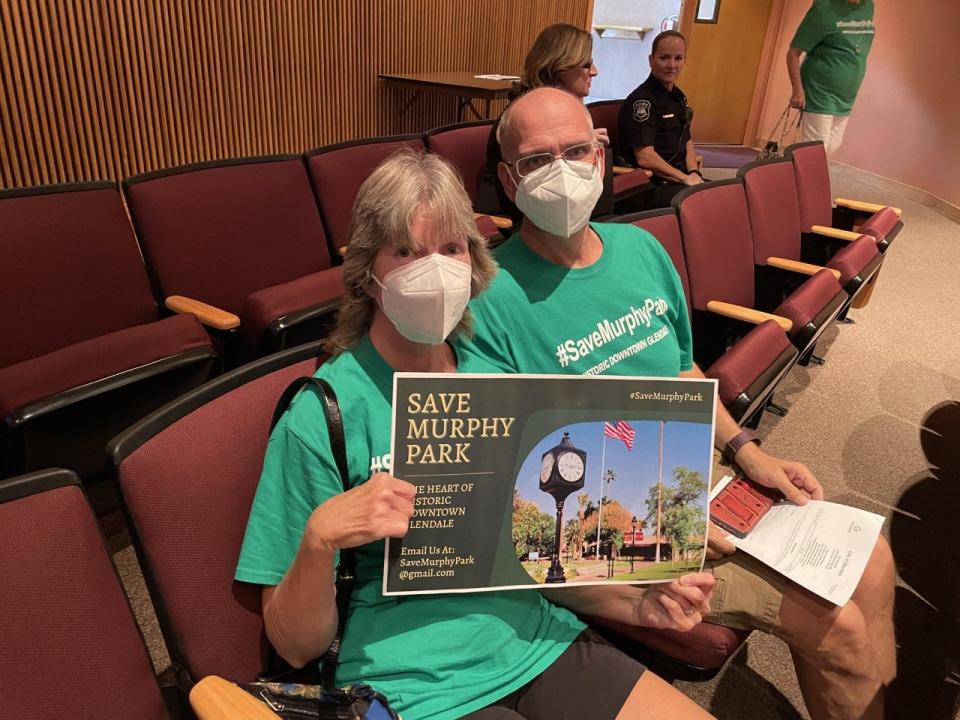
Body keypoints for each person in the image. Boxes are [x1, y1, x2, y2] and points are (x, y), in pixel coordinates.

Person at [235, 149, 717, 720]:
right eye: (407, 251)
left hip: (536, 640)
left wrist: (638, 606)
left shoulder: (496, 381)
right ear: (369, 270)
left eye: (451, 248)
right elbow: (295, 645)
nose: (433, 269)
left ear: (473, 260)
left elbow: (536, 564)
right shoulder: (325, 413)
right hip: (409, 682)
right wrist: (319, 540)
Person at [466, 86, 897, 720]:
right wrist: (672, 525)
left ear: (600, 154)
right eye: (537, 160)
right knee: (841, 629)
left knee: (875, 559)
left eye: (576, 150)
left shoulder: (641, 250)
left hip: (701, 477)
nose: (561, 170)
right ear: (508, 178)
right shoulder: (488, 306)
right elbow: (511, 483)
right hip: (608, 527)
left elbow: (681, 371)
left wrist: (747, 451)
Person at [479, 23, 615, 221]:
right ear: (560, 67)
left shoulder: (569, 111)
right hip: (524, 219)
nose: (594, 71)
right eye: (586, 65)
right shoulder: (518, 118)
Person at [618, 30, 702, 209]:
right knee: (703, 205)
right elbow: (645, 158)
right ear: (651, 60)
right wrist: (685, 178)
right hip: (653, 184)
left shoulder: (678, 97)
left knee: (726, 193)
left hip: (679, 180)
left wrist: (694, 172)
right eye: (664, 58)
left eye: (678, 58)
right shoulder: (642, 102)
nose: (672, 65)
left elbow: (686, 140)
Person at [787, 0, 876, 155]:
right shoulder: (824, 9)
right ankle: (803, 177)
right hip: (819, 90)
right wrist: (797, 89)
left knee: (833, 145)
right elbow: (793, 53)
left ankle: (796, 174)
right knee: (816, 150)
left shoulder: (868, 6)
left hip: (847, 95)